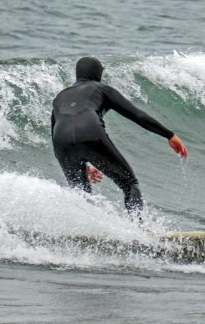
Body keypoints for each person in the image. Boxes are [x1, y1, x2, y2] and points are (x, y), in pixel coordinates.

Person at [51, 56, 187, 220]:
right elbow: (137, 115)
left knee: (81, 193)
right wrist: (169, 135)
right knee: (130, 185)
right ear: (97, 73)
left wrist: (83, 164)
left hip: (61, 142)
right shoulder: (101, 89)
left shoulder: (60, 97)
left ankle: (83, 235)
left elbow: (60, 134)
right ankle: (139, 231)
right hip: (90, 131)